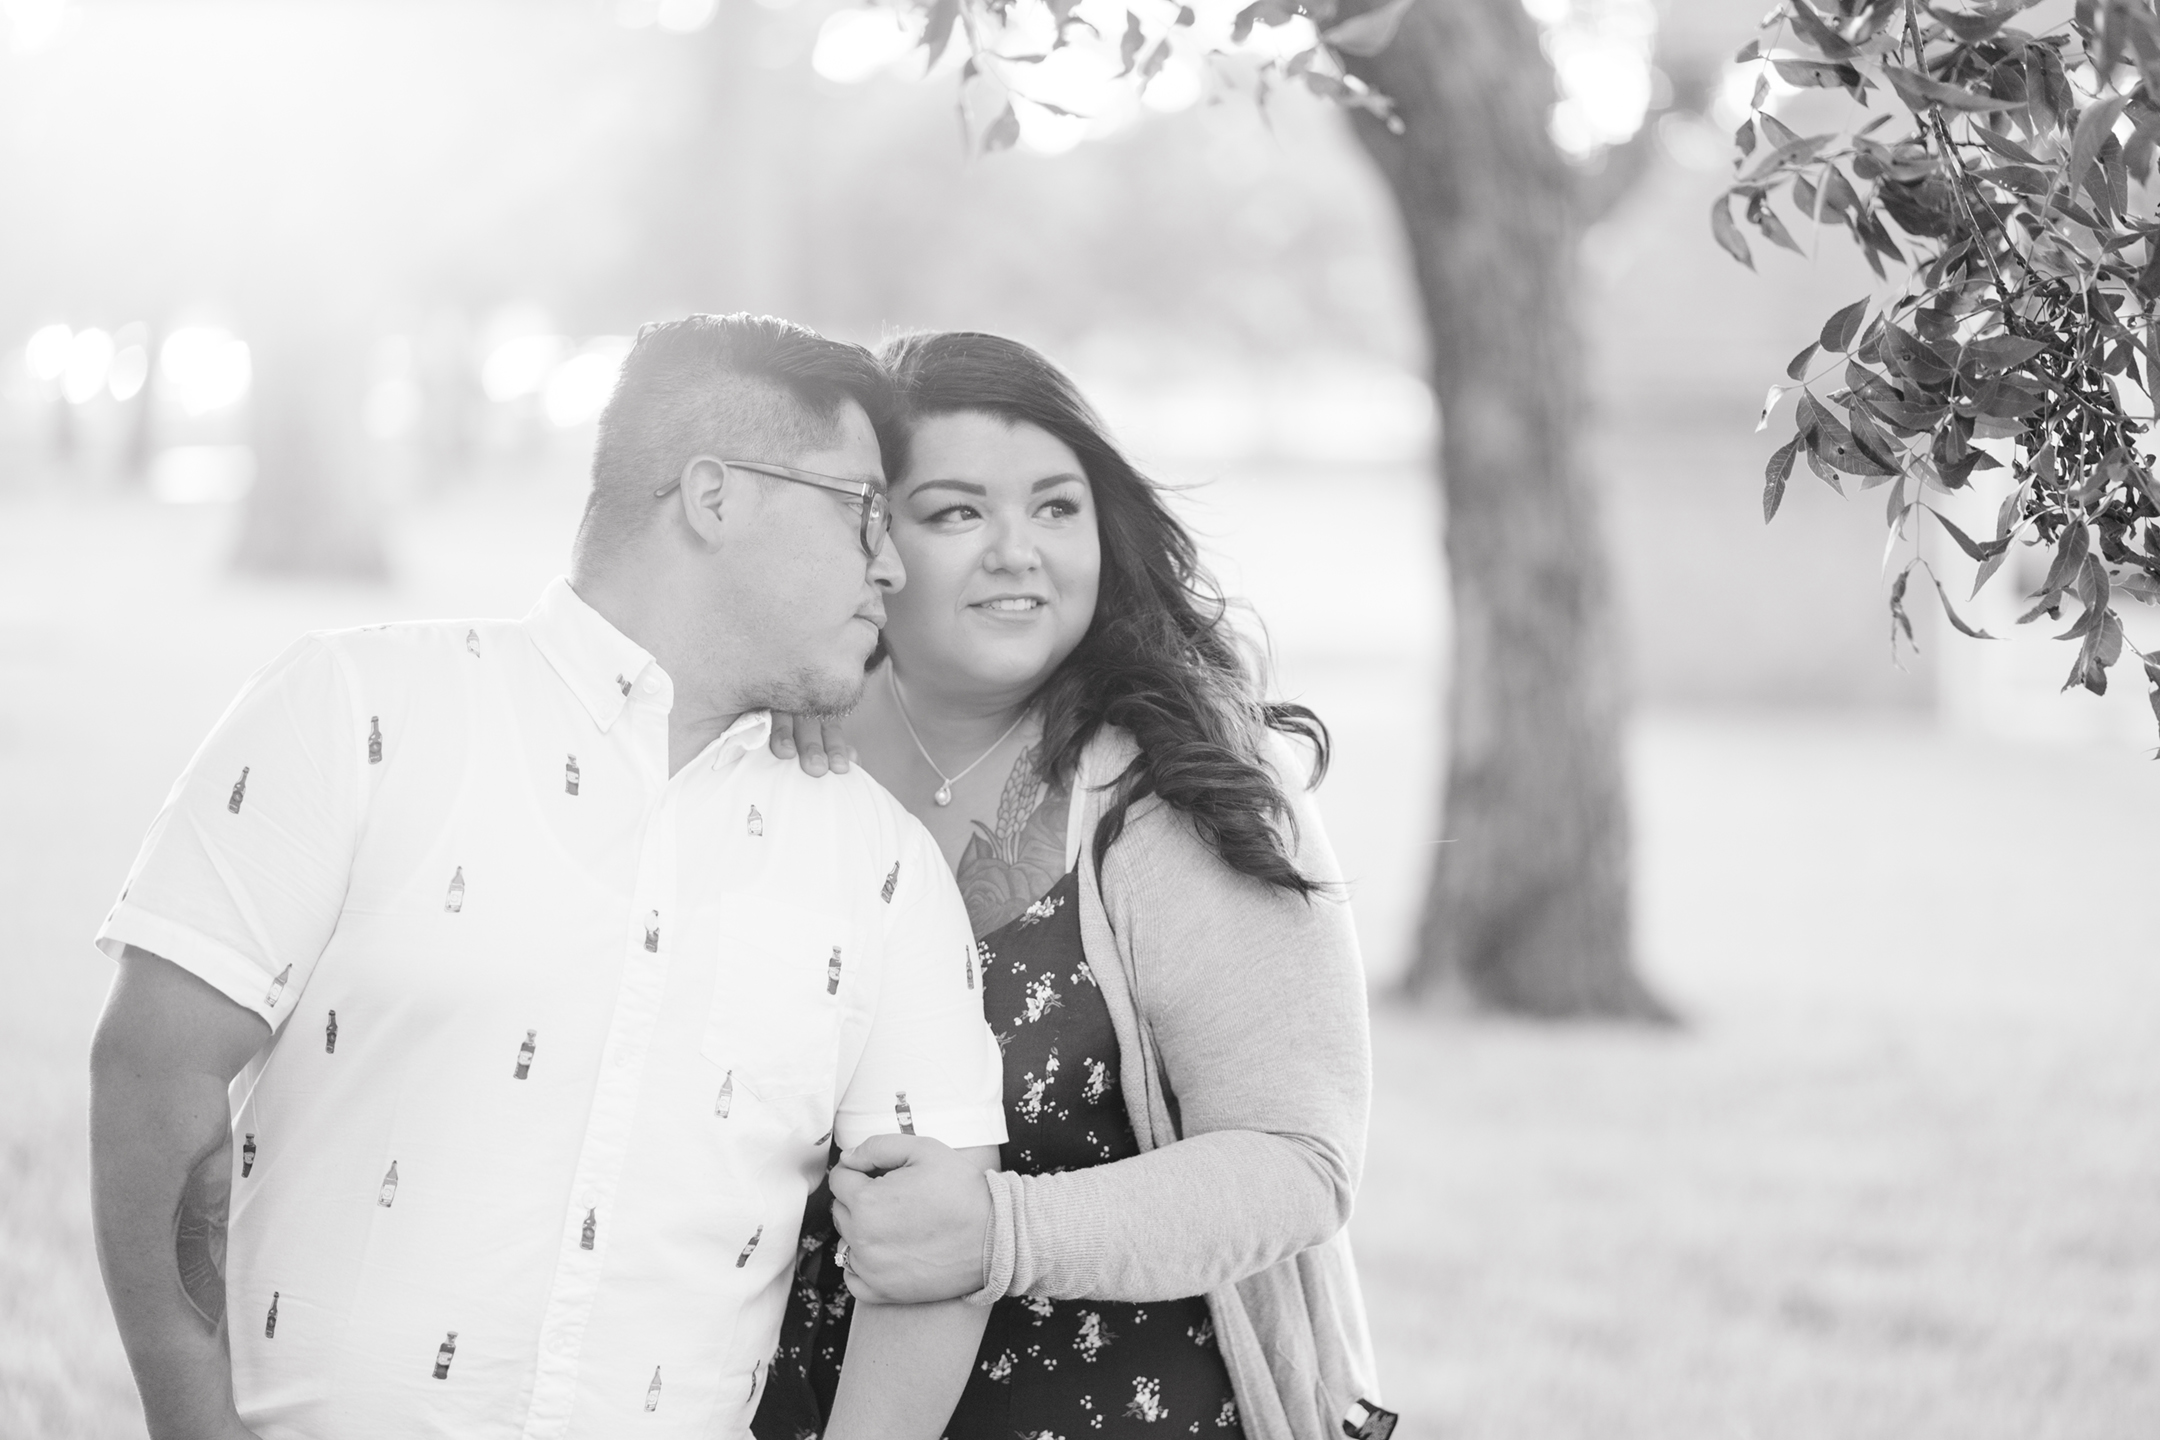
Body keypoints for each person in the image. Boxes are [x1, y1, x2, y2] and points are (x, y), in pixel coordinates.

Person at [85, 314, 1010, 1440]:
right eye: (863, 508)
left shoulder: (881, 863)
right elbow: (154, 1065)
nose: (892, 563)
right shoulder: (357, 711)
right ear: (714, 497)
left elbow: (937, 1243)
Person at [754, 332, 1390, 1440]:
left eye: (1057, 506)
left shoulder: (1188, 782)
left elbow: (1296, 1161)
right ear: (871, 537)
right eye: (957, 512)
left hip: (1123, 1406)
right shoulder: (778, 751)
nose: (1019, 552)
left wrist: (1001, 1233)